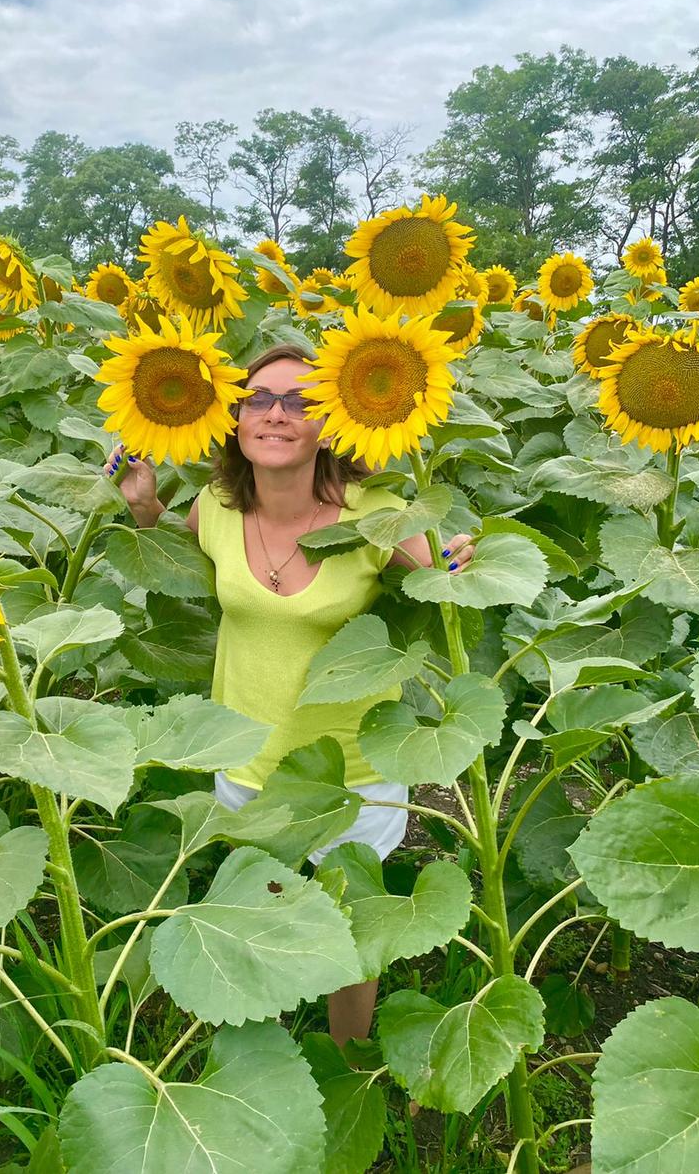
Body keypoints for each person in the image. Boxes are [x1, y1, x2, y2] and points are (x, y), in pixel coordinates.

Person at [108, 341, 474, 1046]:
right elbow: (176, 573)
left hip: (354, 773)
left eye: (299, 402)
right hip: (248, 758)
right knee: (266, 918)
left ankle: (347, 1062)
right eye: (259, 400)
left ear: (330, 422)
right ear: (235, 418)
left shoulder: (374, 513)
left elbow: (442, 583)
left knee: (351, 933)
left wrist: (460, 557)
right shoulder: (215, 508)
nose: (276, 415)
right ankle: (268, 1053)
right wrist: (144, 505)